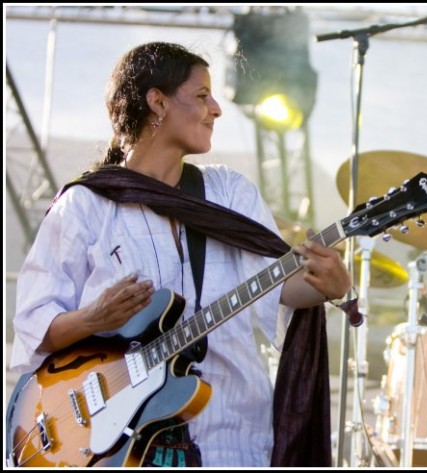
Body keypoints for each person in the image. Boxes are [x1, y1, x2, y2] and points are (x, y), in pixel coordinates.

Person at [9, 41, 352, 467]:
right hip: (121, 446)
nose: (217, 110)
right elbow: (33, 324)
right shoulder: (86, 205)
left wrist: (330, 287)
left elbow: (282, 287)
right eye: (203, 96)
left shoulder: (228, 192)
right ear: (157, 102)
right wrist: (93, 319)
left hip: (232, 433)